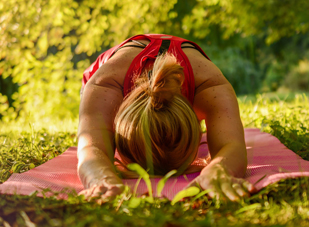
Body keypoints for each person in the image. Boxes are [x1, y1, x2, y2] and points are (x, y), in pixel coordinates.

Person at [77, 34, 256, 201]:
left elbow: (232, 146)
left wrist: (219, 170)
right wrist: (101, 178)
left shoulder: (210, 85)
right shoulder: (104, 85)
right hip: (112, 74)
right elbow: (90, 149)